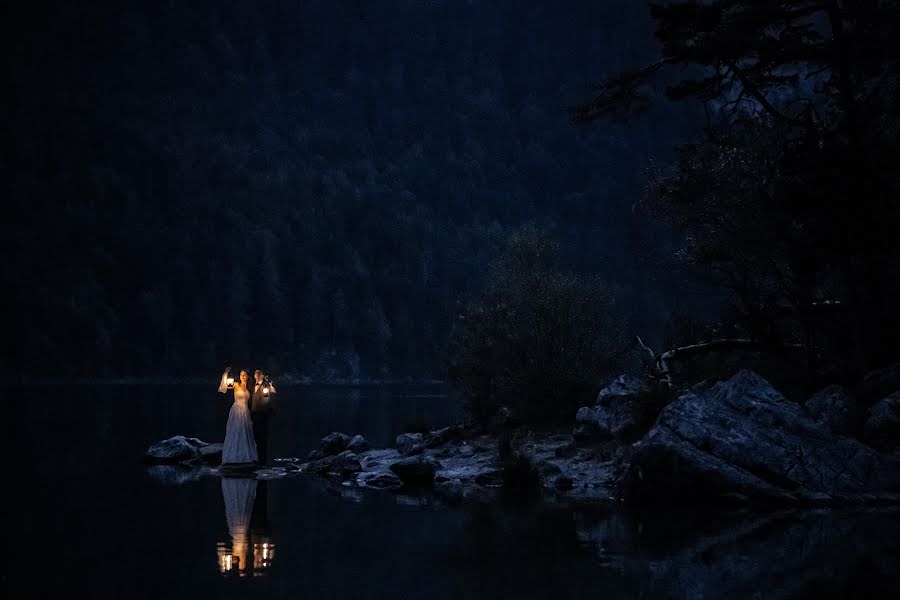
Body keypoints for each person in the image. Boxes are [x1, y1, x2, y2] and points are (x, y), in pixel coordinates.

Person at [218, 368, 258, 465]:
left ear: (248, 376)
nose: (242, 376)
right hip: (236, 410)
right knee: (235, 432)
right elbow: (223, 388)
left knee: (245, 434)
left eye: (244, 375)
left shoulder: (249, 388)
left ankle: (245, 457)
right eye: (241, 375)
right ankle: (232, 457)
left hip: (245, 412)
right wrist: (225, 374)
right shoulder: (236, 385)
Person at [250, 369, 276, 464]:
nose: (257, 375)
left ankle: (263, 461)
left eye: (259, 374)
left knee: (263, 439)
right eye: (256, 373)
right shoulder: (253, 386)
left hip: (263, 415)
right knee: (256, 437)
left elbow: (270, 396)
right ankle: (257, 458)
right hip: (254, 415)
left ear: (262, 375)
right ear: (254, 375)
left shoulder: (266, 385)